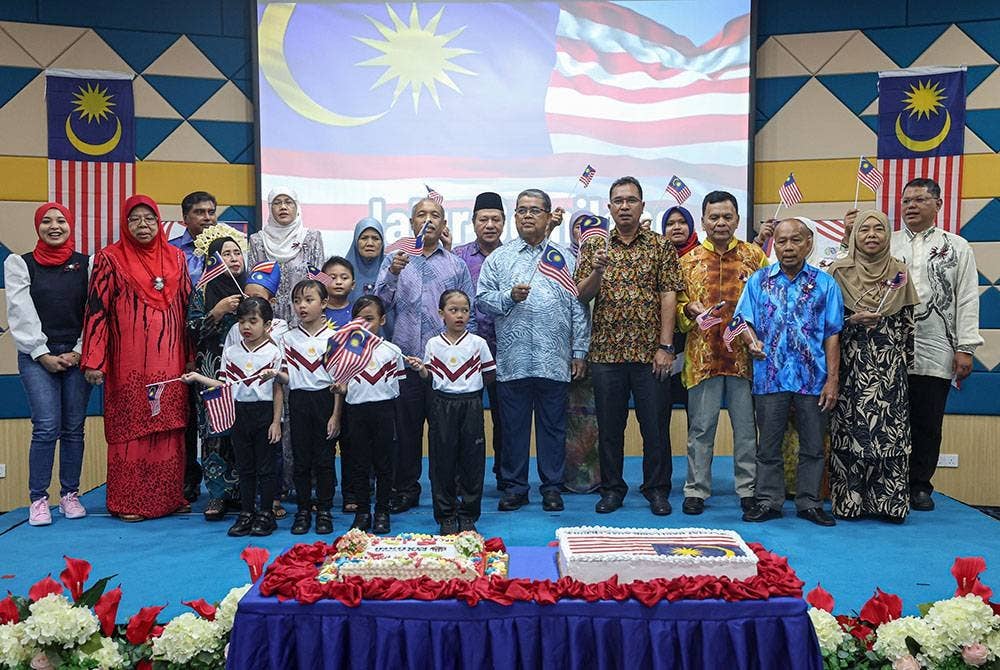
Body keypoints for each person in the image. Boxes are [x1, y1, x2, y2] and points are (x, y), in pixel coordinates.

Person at [575, 176, 683, 516]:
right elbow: (582, 294)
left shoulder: (660, 246)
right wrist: (597, 272)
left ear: (641, 205)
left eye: (631, 200)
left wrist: (666, 346)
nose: (624, 206)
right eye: (618, 201)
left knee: (655, 426)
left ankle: (656, 489)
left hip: (650, 353)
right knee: (609, 427)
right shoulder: (595, 248)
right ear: (609, 208)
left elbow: (669, 294)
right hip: (606, 353)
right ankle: (612, 489)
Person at [477, 188, 590, 513]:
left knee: (553, 427)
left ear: (547, 215)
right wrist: (508, 297)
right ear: (515, 217)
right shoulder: (499, 258)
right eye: (522, 210)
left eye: (534, 210)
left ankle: (552, 487)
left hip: (554, 360)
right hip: (513, 361)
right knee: (513, 428)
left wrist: (579, 350)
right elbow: (482, 300)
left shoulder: (565, 258)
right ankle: (515, 487)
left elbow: (578, 307)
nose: (527, 215)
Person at [82, 194, 191, 522]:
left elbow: (187, 310)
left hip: (171, 359)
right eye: (135, 219)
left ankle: (167, 499)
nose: (143, 226)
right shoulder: (109, 258)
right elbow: (96, 311)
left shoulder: (176, 257)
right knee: (132, 429)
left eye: (149, 219)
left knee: (168, 426)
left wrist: (192, 356)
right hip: (128, 362)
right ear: (125, 224)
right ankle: (131, 502)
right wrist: (93, 360)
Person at [736, 218, 844, 527]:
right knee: (768, 445)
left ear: (809, 244)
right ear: (774, 244)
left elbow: (832, 334)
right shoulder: (759, 281)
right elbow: (743, 319)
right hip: (770, 375)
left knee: (813, 445)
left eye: (795, 240)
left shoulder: (825, 284)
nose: (788, 247)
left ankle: (809, 503)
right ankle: (769, 500)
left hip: (814, 378)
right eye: (781, 241)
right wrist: (751, 340)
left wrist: (832, 380)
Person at [375, 196, 476, 514]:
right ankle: (406, 488)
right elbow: (379, 307)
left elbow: (467, 314)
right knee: (406, 430)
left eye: (435, 215)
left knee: (447, 432)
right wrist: (392, 273)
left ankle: (448, 489)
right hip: (405, 361)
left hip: (446, 365)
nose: (428, 220)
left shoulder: (456, 264)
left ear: (444, 224)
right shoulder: (395, 259)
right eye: (421, 214)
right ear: (411, 223)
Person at [888, 178, 982, 511]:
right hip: (887, 349)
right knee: (889, 419)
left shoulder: (956, 247)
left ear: (938, 204)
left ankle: (919, 485)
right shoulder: (887, 243)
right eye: (906, 200)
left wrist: (966, 347)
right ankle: (890, 483)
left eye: (919, 200)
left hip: (936, 344)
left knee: (927, 420)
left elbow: (967, 298)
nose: (910, 206)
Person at [675, 192, 767, 515]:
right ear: (703, 221)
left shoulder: (755, 258)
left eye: (727, 217)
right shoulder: (687, 262)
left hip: (744, 357)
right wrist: (690, 308)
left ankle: (747, 490)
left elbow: (767, 304)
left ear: (738, 220)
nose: (720, 223)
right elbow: (678, 312)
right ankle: (696, 489)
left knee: (745, 428)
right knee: (701, 428)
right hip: (703, 358)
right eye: (714, 217)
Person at [828, 210, 919, 523]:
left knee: (889, 433)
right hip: (850, 364)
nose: (870, 235)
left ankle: (888, 503)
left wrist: (904, 363)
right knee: (851, 431)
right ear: (854, 235)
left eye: (878, 229)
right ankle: (850, 501)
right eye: (864, 229)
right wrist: (851, 319)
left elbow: (908, 325)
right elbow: (825, 324)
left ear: (887, 234)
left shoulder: (899, 271)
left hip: (889, 368)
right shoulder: (838, 272)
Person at [5, 202, 92, 525]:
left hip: (77, 353)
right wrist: (42, 353)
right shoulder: (20, 264)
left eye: (60, 221)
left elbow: (94, 312)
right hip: (36, 356)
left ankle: (70, 494)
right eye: (46, 221)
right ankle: (38, 499)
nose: (54, 226)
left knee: (73, 428)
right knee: (45, 427)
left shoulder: (87, 264)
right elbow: (20, 312)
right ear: (37, 226)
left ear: (70, 224)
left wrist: (81, 350)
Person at [182, 297, 283, 537]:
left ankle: (266, 513)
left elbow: (279, 390)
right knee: (245, 467)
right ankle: (247, 513)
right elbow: (224, 384)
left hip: (264, 412)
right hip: (239, 413)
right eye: (241, 322)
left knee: (266, 467)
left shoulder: (274, 352)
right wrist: (197, 377)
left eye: (253, 321)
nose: (246, 327)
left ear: (267, 325)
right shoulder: (231, 352)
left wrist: (276, 421)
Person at [409, 290, 496, 534]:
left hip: (470, 405)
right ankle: (446, 515)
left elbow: (489, 374)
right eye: (453, 310)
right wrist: (420, 369)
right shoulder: (433, 344)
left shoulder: (478, 343)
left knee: (472, 460)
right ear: (441, 314)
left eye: (465, 310)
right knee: (442, 461)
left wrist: (469, 387)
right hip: (442, 405)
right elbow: (429, 377)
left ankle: (468, 515)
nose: (459, 315)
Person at [185, 227, 247, 520]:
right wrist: (218, 311)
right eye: (226, 254)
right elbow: (191, 329)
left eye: (237, 253)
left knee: (245, 430)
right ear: (213, 260)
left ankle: (246, 492)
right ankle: (218, 495)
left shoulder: (251, 288)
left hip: (246, 372)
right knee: (214, 433)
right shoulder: (204, 290)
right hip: (210, 368)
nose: (234, 259)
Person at [329, 296, 402, 535]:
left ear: (382, 320)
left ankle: (382, 510)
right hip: (356, 411)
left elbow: (396, 386)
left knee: (384, 464)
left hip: (383, 411)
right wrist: (341, 389)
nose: (364, 325)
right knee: (358, 463)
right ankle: (362, 512)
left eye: (370, 319)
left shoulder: (392, 351)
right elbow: (342, 382)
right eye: (359, 320)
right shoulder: (347, 352)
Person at [272, 280, 338, 534]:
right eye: (297, 301)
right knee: (301, 459)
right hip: (299, 401)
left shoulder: (334, 338)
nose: (302, 306)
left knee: (324, 459)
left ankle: (324, 510)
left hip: (325, 400)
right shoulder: (287, 338)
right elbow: (287, 377)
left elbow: (338, 381)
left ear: (324, 304)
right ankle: (302, 509)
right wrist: (274, 375)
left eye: (309, 300)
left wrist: (335, 414)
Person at [452, 192, 505, 489]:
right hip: (464, 352)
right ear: (473, 222)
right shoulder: (458, 256)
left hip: (504, 351)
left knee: (504, 420)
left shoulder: (511, 254)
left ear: (503, 223)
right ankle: (463, 478)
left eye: (495, 219)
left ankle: (504, 477)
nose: (489, 225)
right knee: (464, 420)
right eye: (483, 219)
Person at [171, 191, 218, 503]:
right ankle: (188, 477)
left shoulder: (228, 247)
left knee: (217, 413)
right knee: (185, 414)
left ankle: (223, 482)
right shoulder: (171, 252)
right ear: (185, 218)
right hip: (178, 341)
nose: (207, 218)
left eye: (211, 212)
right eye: (200, 212)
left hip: (217, 343)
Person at [247, 188, 325, 326]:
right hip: (266, 319)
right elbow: (253, 284)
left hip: (304, 316)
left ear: (297, 207)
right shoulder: (258, 240)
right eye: (277, 203)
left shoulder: (312, 237)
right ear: (270, 208)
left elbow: (320, 279)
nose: (283, 207)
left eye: (288, 202)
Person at [343, 218, 385, 301]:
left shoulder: (391, 270)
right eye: (364, 238)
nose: (370, 243)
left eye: (375, 238)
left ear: (382, 243)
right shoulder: (341, 271)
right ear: (356, 241)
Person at [321, 256, 355, 328]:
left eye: (344, 278)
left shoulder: (357, 312)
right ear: (322, 283)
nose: (338, 282)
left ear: (352, 285)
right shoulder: (316, 312)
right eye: (332, 278)